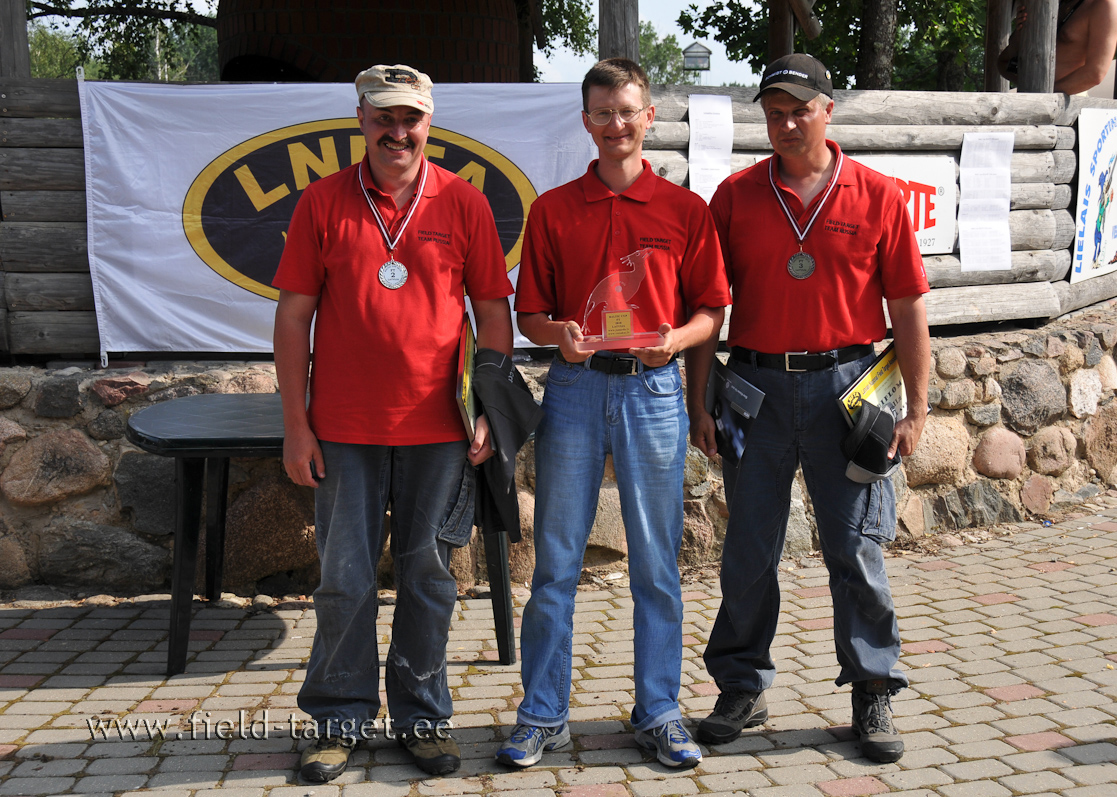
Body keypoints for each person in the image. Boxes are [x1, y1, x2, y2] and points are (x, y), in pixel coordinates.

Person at [273, 63, 514, 783]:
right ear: (361, 119)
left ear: (428, 123)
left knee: (430, 578)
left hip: (440, 429)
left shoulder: (465, 203)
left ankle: (422, 718)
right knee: (343, 582)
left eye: (409, 118)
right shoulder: (322, 202)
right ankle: (337, 719)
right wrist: (295, 423)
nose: (397, 131)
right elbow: (293, 316)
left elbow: (494, 313)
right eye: (383, 117)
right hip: (343, 430)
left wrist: (489, 409)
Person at [688, 53, 930, 764]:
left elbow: (909, 307)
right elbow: (708, 305)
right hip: (753, 389)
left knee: (856, 546)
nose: (786, 122)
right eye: (773, 111)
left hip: (850, 389)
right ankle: (741, 684)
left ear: (829, 109)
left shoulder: (879, 196)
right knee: (747, 550)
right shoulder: (733, 197)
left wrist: (916, 407)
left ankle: (873, 685)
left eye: (799, 108)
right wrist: (701, 396)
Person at [496, 58, 730, 770]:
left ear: (649, 116)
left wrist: (676, 343)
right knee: (556, 563)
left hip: (652, 393)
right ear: (587, 121)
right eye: (603, 113)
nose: (617, 124)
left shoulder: (686, 211)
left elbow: (711, 310)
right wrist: (556, 332)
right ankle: (542, 713)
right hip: (574, 389)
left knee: (657, 564)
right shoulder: (554, 209)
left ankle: (658, 710)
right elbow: (528, 313)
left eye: (628, 111)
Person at [998, 0, 1117, 94]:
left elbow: (1095, 74)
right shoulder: (1055, 3)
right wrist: (1023, 31)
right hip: (1033, 99)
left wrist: (1044, 95)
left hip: (1067, 108)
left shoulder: (1107, 4)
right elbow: (1003, 63)